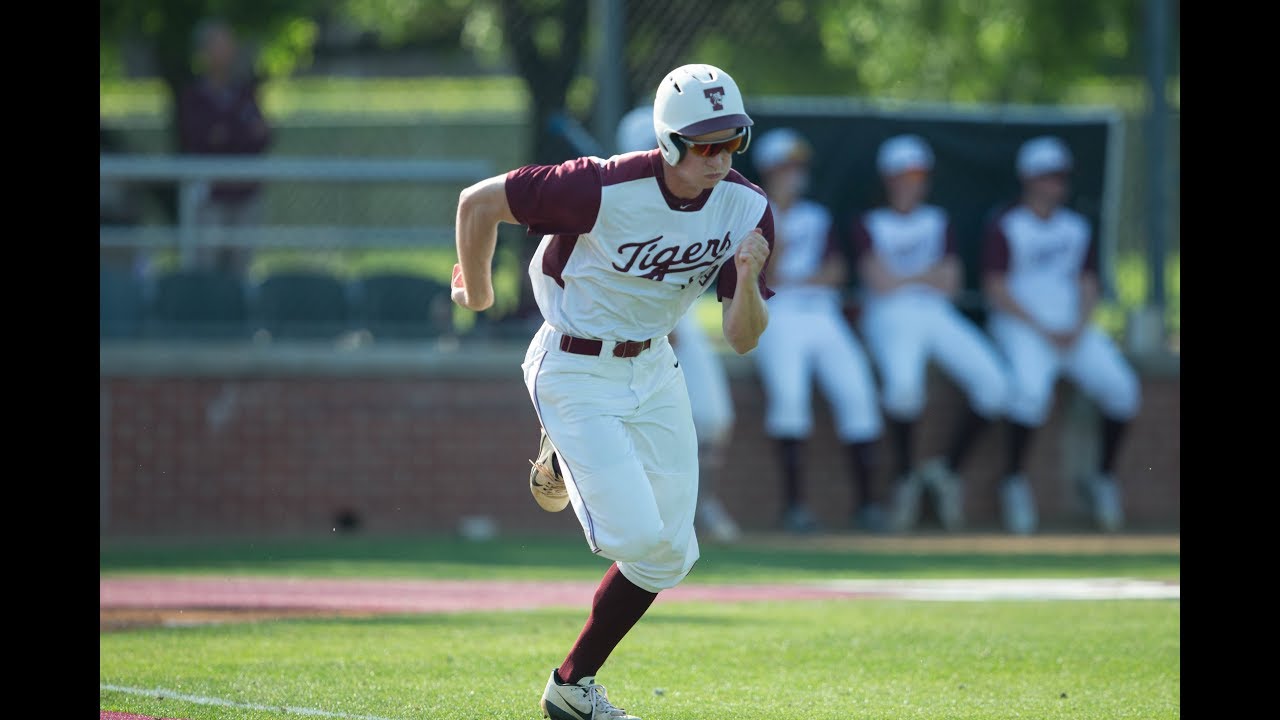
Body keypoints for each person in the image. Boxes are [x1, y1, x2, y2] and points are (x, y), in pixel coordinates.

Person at [451, 63, 773, 719]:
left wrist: (747, 280)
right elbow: (477, 203)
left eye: (731, 141)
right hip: (574, 365)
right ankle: (563, 448)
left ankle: (570, 689)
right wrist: (478, 294)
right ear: (670, 141)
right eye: (704, 143)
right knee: (634, 537)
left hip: (654, 365)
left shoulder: (749, 208)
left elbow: (742, 338)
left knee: (672, 555)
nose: (718, 159)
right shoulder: (605, 185)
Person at [982, 135, 1141, 535]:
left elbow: (1088, 282)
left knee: (1123, 388)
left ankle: (1102, 477)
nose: (1055, 185)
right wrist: (1044, 329)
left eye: (1060, 177)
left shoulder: (1076, 226)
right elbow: (996, 288)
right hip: (1024, 326)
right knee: (1029, 394)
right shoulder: (1007, 224)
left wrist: (1078, 324)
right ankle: (1014, 480)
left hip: (1073, 328)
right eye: (1047, 177)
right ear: (1029, 179)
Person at [852, 134, 1009, 533]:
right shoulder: (871, 223)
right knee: (903, 390)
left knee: (996, 386)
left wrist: (906, 277)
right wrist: (924, 276)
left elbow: (951, 282)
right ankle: (905, 478)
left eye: (918, 175)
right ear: (888, 179)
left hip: (936, 312)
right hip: (889, 314)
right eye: (904, 175)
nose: (911, 182)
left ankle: (945, 471)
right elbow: (879, 282)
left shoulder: (937, 220)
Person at [612, 105, 742, 544]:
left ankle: (703, 505)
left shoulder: (700, 196)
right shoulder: (618, 198)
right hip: (622, 332)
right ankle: (643, 513)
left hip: (680, 321)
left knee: (714, 419)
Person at [748, 127, 887, 534]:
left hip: (823, 314)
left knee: (858, 394)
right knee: (790, 400)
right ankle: (794, 507)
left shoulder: (817, 215)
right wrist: (781, 225)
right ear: (771, 170)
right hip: (777, 315)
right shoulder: (754, 212)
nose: (795, 174)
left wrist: (802, 278)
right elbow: (764, 276)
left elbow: (836, 272)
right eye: (787, 167)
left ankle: (867, 506)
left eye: (799, 167)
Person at [178, 17, 274, 275]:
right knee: (205, 269)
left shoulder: (245, 93)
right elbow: (199, 140)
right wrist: (236, 133)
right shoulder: (194, 97)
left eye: (229, 44)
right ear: (204, 52)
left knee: (240, 270)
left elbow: (261, 137)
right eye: (219, 45)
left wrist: (226, 134)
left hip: (245, 194)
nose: (227, 51)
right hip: (211, 196)